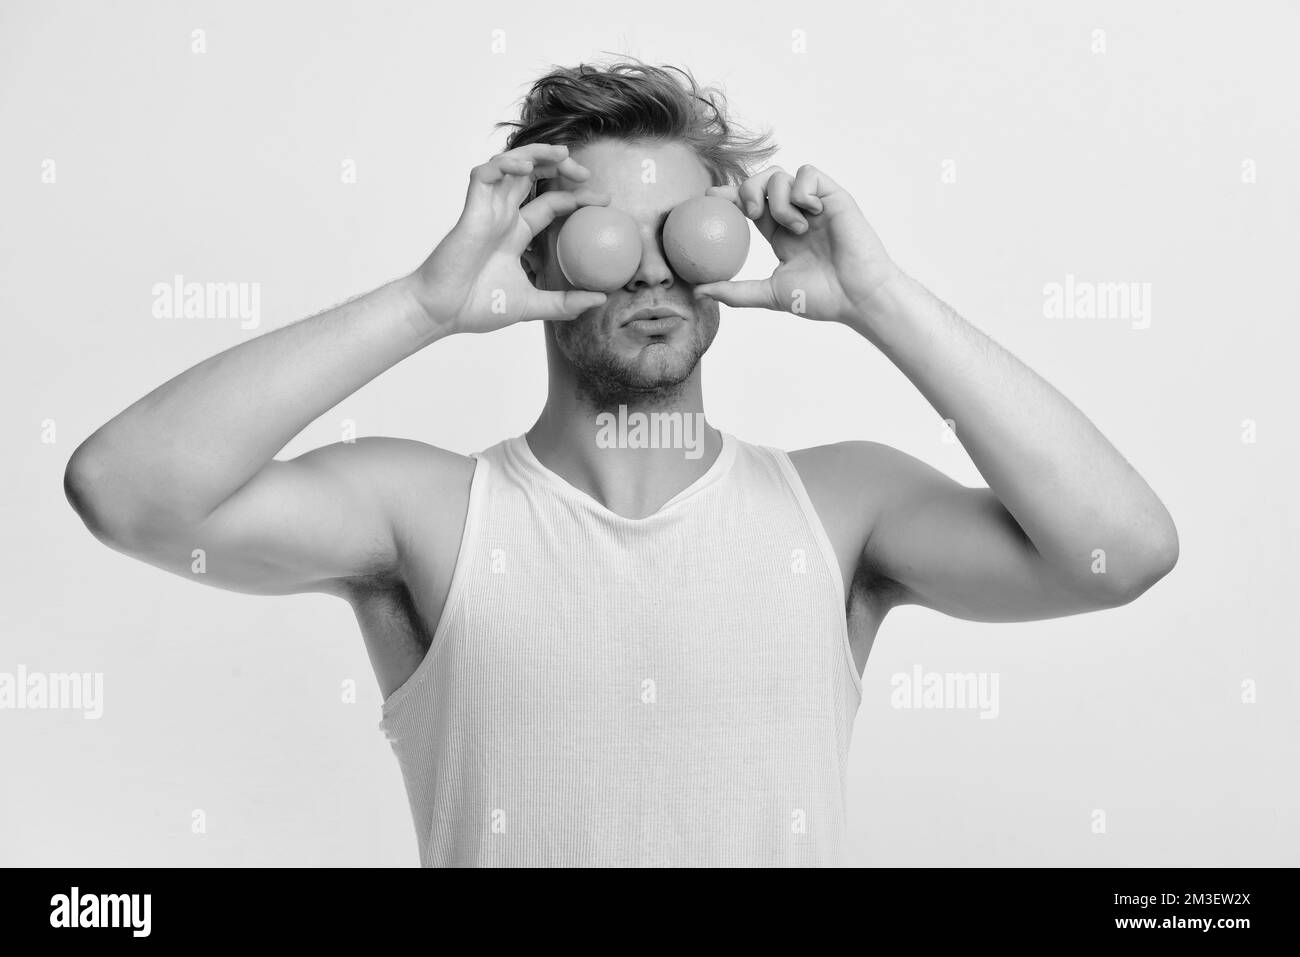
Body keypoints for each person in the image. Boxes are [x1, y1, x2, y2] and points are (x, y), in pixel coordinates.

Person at [64, 60, 1178, 867]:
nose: (650, 270)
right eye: (607, 231)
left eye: (680, 226)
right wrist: (422, 305)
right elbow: (127, 491)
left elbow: (1117, 554)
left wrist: (878, 301)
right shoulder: (430, 516)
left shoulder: (839, 509)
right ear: (540, 252)